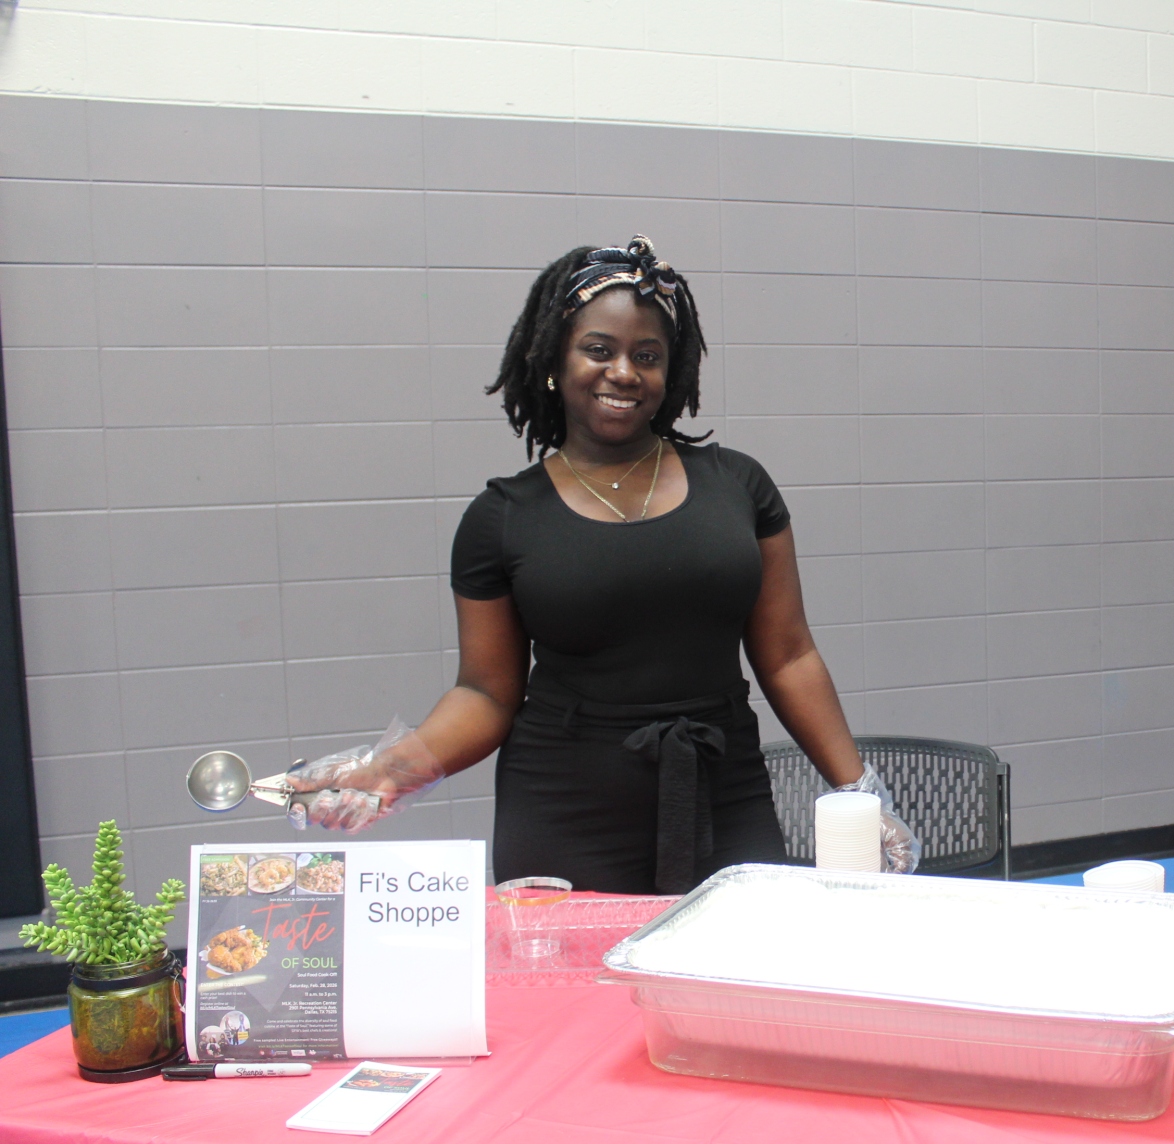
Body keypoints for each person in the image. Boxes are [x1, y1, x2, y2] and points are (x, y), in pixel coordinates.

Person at [286, 238, 873, 893]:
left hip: (721, 794)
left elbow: (789, 656)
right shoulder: (502, 517)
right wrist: (389, 771)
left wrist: (860, 792)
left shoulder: (738, 485)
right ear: (553, 361)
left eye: (646, 356)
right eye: (598, 349)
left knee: (738, 957)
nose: (623, 372)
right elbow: (486, 693)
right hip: (564, 810)